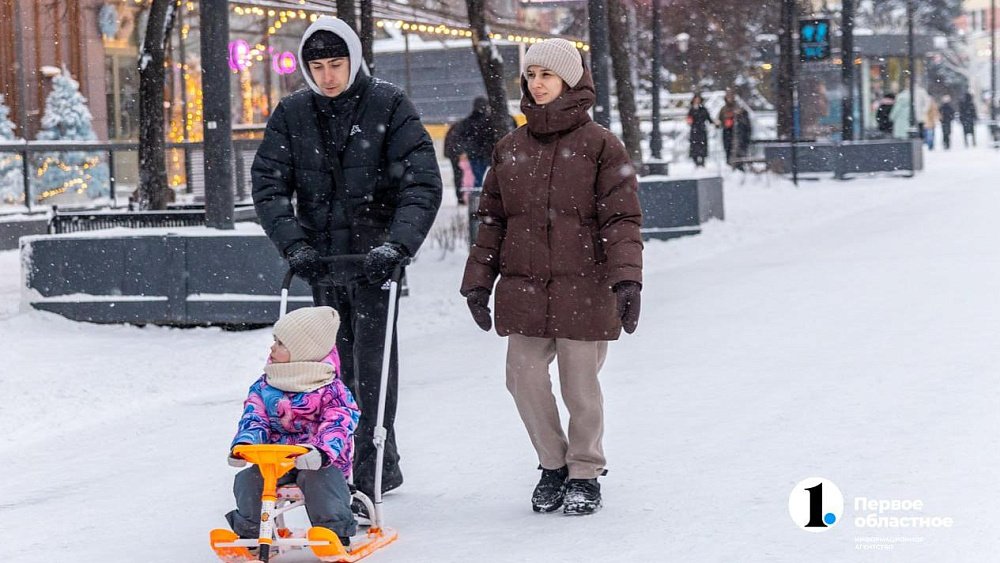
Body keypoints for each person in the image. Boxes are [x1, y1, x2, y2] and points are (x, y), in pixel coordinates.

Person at [251, 16, 443, 499]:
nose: (328, 76)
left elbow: (420, 183)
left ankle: (373, 463)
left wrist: (396, 245)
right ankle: (328, 458)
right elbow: (269, 185)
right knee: (322, 369)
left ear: (354, 61)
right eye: (318, 66)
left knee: (373, 368)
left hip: (374, 262)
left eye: (336, 64)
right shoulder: (292, 114)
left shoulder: (389, 105)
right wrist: (295, 244)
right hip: (322, 263)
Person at [460, 38, 643, 516]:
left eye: (546, 75)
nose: (536, 84)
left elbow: (622, 219)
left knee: (579, 387)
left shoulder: (601, 144)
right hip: (524, 285)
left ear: (570, 80)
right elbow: (493, 221)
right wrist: (478, 281)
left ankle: (585, 470)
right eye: (531, 75)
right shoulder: (509, 148)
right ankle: (553, 465)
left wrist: (627, 279)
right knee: (521, 376)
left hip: (585, 284)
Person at [226, 306, 360, 547]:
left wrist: (321, 451)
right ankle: (251, 533)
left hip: (319, 461)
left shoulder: (331, 389)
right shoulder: (265, 385)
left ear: (303, 351)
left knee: (320, 480)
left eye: (281, 343)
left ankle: (335, 532)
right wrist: (244, 444)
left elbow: (338, 423)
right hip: (275, 462)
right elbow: (255, 417)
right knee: (248, 479)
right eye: (274, 340)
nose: (272, 348)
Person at [449, 97, 517, 189]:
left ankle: (478, 198)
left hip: (476, 154)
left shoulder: (468, 122)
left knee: (477, 179)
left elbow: (461, 137)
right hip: (490, 152)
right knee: (498, 178)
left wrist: (466, 149)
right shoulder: (497, 120)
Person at [687, 93, 715, 167]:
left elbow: (708, 118)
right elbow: (689, 119)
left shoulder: (703, 109)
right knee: (694, 146)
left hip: (702, 130)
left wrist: (715, 122)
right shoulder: (692, 109)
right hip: (694, 130)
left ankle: (702, 161)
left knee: (702, 146)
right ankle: (696, 161)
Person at [443, 120, 466, 203]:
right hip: (457, 155)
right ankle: (462, 197)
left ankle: (461, 197)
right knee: (460, 175)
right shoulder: (460, 129)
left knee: (458, 175)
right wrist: (461, 153)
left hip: (454, 154)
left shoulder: (454, 129)